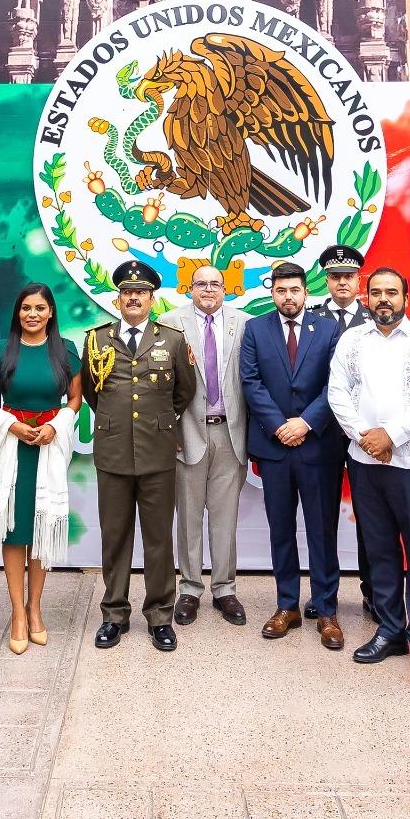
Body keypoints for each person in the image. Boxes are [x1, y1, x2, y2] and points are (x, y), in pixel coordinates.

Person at [328, 267, 410, 685]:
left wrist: (391, 437)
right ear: (366, 298)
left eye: (391, 293)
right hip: (365, 463)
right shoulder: (351, 340)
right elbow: (337, 393)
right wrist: (365, 438)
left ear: (405, 298)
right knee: (379, 552)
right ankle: (390, 631)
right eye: (376, 292)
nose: (383, 299)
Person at [81, 260, 196, 652]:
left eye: (141, 292)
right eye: (127, 292)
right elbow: (95, 395)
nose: (133, 297)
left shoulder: (173, 340)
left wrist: (158, 423)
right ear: (118, 298)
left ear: (151, 298)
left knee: (158, 539)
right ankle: (114, 614)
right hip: (112, 452)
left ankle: (160, 616)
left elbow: (184, 391)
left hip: (158, 452)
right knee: (115, 538)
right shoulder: (96, 340)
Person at [240, 260, 344, 647]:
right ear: (272, 293)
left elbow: (337, 384)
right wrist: (281, 425)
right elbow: (251, 382)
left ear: (306, 292)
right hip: (274, 447)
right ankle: (287, 605)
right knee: (281, 530)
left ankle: (327, 610)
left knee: (322, 531)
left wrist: (306, 423)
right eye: (281, 291)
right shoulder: (255, 329)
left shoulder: (330, 330)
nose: (288, 297)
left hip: (318, 445)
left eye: (295, 290)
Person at [0, 283, 81, 653]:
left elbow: (75, 399)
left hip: (48, 446)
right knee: (14, 529)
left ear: (51, 312)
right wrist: (12, 426)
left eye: (40, 308)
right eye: (26, 308)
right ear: (17, 312)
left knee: (41, 526)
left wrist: (54, 427)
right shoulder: (0, 351)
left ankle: (36, 609)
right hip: (14, 448)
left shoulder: (66, 350)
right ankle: (17, 614)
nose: (32, 314)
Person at [162, 265, 251, 627]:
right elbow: (161, 383)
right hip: (187, 435)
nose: (209, 289)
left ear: (226, 288)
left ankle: (225, 589)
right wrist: (168, 433)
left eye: (215, 284)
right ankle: (189, 588)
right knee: (188, 516)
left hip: (231, 433)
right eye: (201, 284)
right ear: (190, 288)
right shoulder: (170, 322)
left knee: (224, 517)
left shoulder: (245, 323)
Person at [309, 244, 379, 624]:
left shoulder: (376, 319)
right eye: (334, 277)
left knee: (372, 519)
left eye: (348, 276)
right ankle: (325, 595)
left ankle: (374, 593)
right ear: (326, 280)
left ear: (358, 279)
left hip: (367, 435)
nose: (341, 283)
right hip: (323, 434)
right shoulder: (311, 318)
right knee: (323, 520)